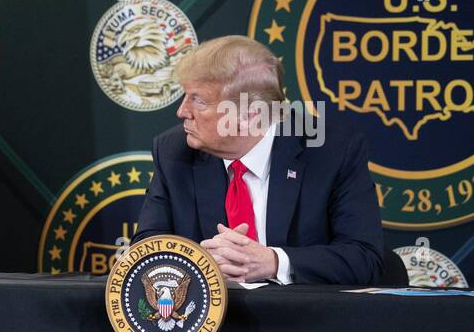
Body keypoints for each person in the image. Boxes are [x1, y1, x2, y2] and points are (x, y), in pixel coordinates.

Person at [133, 35, 385, 285]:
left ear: (250, 115)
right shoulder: (174, 152)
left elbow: (364, 259)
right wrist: (200, 262)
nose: (182, 111)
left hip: (303, 319)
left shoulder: (331, 150)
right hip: (211, 320)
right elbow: (145, 253)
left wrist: (274, 262)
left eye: (198, 101)